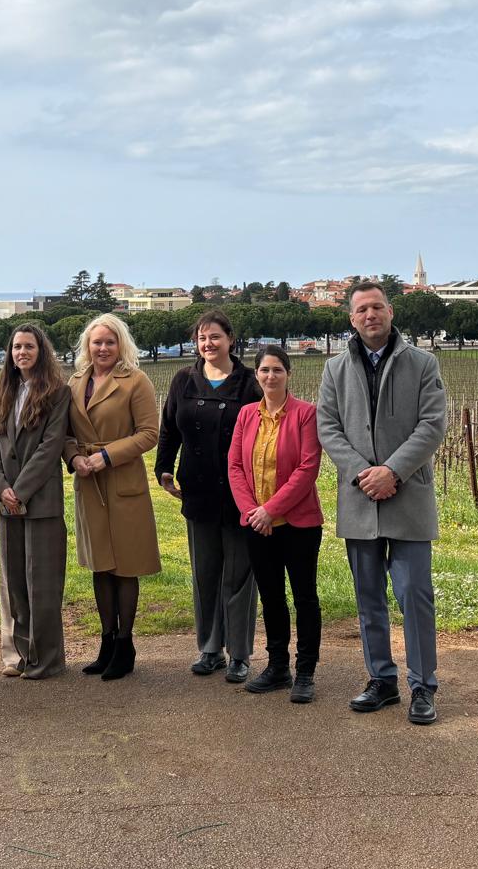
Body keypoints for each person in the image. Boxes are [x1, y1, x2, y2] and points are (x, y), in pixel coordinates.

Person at [316, 282, 448, 725]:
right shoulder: (334, 369)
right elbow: (328, 427)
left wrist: (392, 471)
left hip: (407, 498)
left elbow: (432, 425)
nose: (370, 315)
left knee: (414, 595)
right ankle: (381, 680)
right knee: (368, 596)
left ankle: (423, 685)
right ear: (351, 319)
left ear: (390, 312)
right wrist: (362, 473)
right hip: (359, 499)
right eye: (362, 310)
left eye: (377, 307)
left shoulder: (423, 364)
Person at [155, 309, 260, 682]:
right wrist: (164, 468)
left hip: (240, 492)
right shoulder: (184, 380)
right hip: (197, 490)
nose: (208, 343)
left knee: (240, 574)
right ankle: (210, 648)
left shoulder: (250, 383)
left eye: (215, 336)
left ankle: (239, 653)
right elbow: (169, 429)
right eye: (201, 338)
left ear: (230, 339)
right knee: (206, 572)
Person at [65, 312, 160, 681]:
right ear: (87, 346)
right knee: (101, 565)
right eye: (97, 342)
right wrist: (74, 457)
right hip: (88, 483)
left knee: (125, 566)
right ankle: (106, 641)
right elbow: (65, 432)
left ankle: (125, 644)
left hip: (123, 482)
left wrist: (106, 456)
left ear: (121, 345)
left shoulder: (136, 381)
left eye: (110, 342)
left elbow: (149, 433)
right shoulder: (75, 382)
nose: (103, 348)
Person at [227, 345, 323, 704]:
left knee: (304, 597)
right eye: (265, 370)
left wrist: (271, 510)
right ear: (256, 375)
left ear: (288, 374)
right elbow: (235, 466)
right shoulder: (246, 415)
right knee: (271, 596)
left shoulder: (306, 414)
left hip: (298, 524)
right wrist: (254, 512)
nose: (271, 376)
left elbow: (307, 469)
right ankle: (278, 666)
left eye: (277, 370)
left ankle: (306, 671)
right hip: (258, 525)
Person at [0, 323, 73, 680]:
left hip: (41, 503)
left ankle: (47, 659)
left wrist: (19, 491)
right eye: (17, 347)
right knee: (16, 585)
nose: (22, 352)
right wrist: (1, 488)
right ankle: (21, 655)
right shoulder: (3, 391)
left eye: (29, 347)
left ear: (41, 352)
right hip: (6, 504)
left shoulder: (58, 393)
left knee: (43, 585)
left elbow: (50, 448)